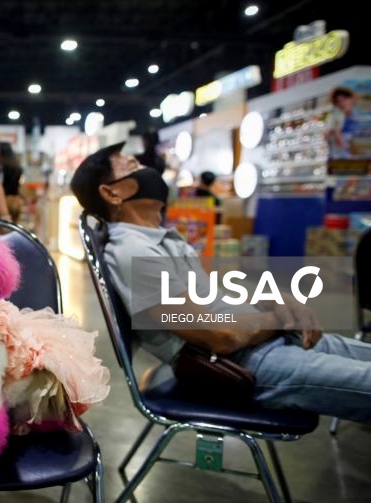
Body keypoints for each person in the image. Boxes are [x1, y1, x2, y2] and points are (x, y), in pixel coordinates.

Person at [70, 142, 371, 422]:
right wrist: (279, 318)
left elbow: (211, 292)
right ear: (112, 193)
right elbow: (219, 335)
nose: (148, 170)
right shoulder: (134, 252)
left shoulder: (160, 239)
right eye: (132, 166)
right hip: (242, 362)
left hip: (262, 340)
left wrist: (276, 299)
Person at [326, 86, 357, 159]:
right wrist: (344, 146)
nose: (342, 103)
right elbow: (336, 133)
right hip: (342, 154)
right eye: (339, 101)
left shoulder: (353, 115)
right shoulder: (337, 116)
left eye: (344, 99)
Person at [0, 141, 24, 224]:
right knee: (14, 225)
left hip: (4, 200)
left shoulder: (1, 167)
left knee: (3, 226)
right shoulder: (17, 167)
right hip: (16, 200)